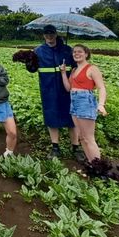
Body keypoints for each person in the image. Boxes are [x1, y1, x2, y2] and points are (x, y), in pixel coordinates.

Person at [34, 24, 83, 161]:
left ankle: (76, 147)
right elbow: (32, 69)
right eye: (46, 33)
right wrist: (27, 60)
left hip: (67, 89)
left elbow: (78, 67)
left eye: (51, 33)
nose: (49, 36)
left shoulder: (68, 50)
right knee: (52, 117)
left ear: (56, 34)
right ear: (43, 35)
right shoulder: (38, 51)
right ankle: (55, 147)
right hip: (48, 89)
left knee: (71, 118)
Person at [60, 44, 107, 162]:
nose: (76, 54)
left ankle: (98, 166)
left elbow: (101, 88)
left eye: (80, 52)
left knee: (89, 138)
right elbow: (68, 88)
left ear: (86, 54)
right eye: (74, 52)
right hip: (74, 102)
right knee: (81, 137)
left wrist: (101, 104)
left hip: (85, 101)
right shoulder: (74, 70)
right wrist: (63, 73)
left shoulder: (92, 69)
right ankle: (92, 163)